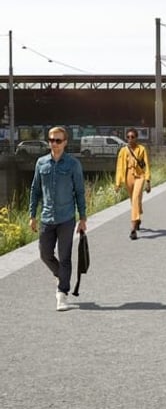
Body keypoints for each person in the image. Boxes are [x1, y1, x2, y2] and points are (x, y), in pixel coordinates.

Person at [29, 126, 87, 311]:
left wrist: (83, 217)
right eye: (52, 140)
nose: (54, 144)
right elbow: (35, 190)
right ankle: (60, 275)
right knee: (45, 254)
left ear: (65, 142)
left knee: (65, 258)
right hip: (47, 217)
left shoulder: (73, 164)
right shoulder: (41, 163)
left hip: (66, 218)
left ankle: (62, 294)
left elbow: (79, 191)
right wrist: (32, 215)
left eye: (58, 140)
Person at [115, 127, 151, 240]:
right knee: (134, 201)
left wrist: (148, 180)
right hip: (128, 177)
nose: (130, 139)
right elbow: (120, 167)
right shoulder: (123, 151)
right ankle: (138, 217)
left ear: (136, 138)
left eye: (132, 137)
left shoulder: (142, 149)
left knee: (135, 198)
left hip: (139, 176)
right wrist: (118, 183)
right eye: (128, 137)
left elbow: (146, 165)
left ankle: (133, 228)